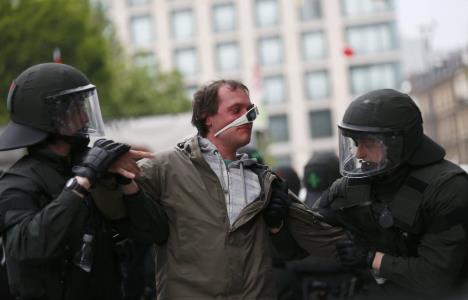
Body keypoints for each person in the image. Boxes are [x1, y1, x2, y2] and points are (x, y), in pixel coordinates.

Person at [136, 79, 344, 299]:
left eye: (250, 110)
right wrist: (107, 171)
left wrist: (376, 257)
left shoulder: (264, 180)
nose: (248, 117)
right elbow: (115, 204)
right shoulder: (165, 166)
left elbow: (315, 238)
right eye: (236, 110)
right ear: (207, 118)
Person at [0, 63, 169, 300]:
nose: (86, 115)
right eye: (77, 107)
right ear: (51, 117)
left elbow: (156, 232)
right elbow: (28, 248)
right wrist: (83, 180)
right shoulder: (17, 182)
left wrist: (125, 183)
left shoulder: (97, 167)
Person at [314, 89, 468, 299]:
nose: (359, 153)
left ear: (396, 143)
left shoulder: (448, 188)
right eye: (356, 143)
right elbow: (311, 231)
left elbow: (434, 279)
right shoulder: (354, 186)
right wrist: (280, 216)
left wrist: (371, 258)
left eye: (368, 143)